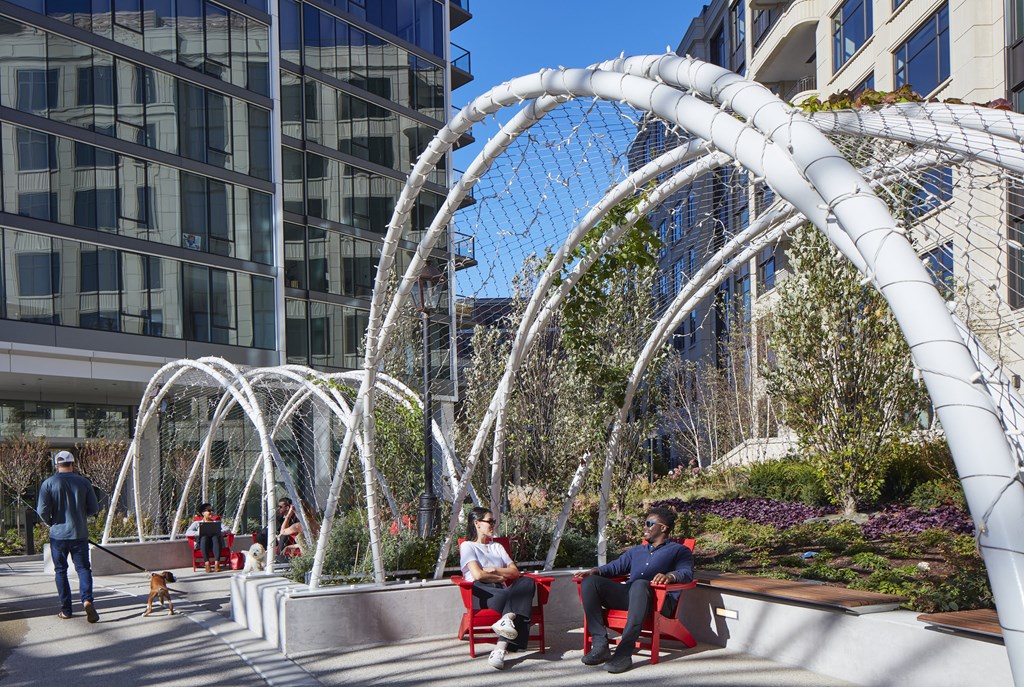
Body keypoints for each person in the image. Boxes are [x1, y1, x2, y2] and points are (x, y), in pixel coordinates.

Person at [574, 506, 693, 674]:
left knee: (640, 584)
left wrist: (670, 577)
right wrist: (596, 571)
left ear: (663, 528)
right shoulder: (637, 551)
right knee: (590, 582)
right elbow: (616, 567)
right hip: (631, 596)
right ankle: (600, 645)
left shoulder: (679, 551)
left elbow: (687, 573)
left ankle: (624, 653)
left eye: (649, 523)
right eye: (644, 523)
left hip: (658, 602)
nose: (644, 527)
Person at [459, 507, 536, 671]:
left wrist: (495, 570)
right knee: (516, 597)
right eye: (490, 521)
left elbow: (515, 572)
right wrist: (501, 578)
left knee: (527, 583)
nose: (493, 524)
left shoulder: (497, 547)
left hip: (501, 590)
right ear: (477, 523)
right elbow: (478, 575)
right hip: (481, 592)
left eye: (494, 521)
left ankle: (506, 623)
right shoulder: (467, 546)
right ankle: (503, 646)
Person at [37, 450, 100, 622]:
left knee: (61, 571)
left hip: (58, 536)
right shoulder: (84, 482)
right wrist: (80, 515)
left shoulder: (48, 483)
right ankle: (87, 601)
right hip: (79, 534)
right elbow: (94, 508)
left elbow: (42, 511)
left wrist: (51, 522)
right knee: (83, 569)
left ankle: (66, 610)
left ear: (56, 465)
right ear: (73, 465)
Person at [185, 503, 232, 572]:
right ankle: (207, 564)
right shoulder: (197, 523)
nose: (211, 512)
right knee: (204, 537)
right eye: (209, 511)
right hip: (203, 543)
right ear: (203, 513)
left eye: (212, 510)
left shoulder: (217, 522)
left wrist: (220, 532)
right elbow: (188, 532)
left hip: (215, 543)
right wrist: (199, 533)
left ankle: (217, 564)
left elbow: (227, 529)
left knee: (215, 537)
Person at [256, 497, 303, 563]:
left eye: (281, 507)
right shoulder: (278, 516)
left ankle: (279, 558)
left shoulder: (294, 517)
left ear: (287, 508)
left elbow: (291, 530)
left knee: (283, 536)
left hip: (289, 538)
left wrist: (288, 515)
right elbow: (271, 527)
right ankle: (264, 555)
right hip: (277, 537)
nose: (279, 508)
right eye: (278, 506)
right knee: (260, 534)